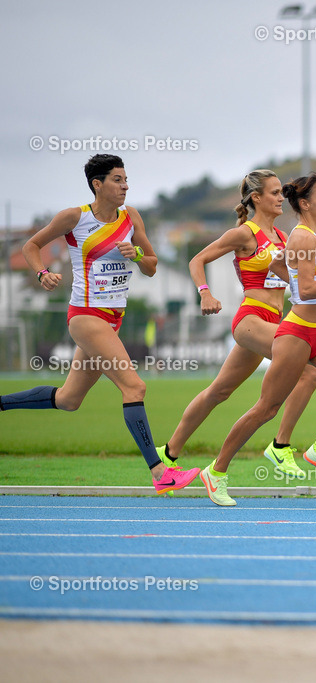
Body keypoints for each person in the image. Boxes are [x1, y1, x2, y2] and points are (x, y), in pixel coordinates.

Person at [0, 154, 200, 493]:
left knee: (68, 400)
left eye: (126, 180)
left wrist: (136, 255)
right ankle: (160, 474)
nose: (125, 186)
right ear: (98, 184)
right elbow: (31, 246)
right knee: (134, 387)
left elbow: (151, 266)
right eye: (118, 180)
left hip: (113, 320)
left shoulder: (131, 217)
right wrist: (42, 273)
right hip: (86, 317)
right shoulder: (74, 218)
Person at [200, 172, 316, 506]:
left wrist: (288, 276)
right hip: (296, 334)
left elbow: (284, 268)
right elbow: (308, 289)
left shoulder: (311, 237)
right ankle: (217, 471)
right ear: (306, 204)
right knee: (265, 408)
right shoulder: (303, 237)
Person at [156, 170, 316, 480]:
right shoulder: (245, 234)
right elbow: (197, 260)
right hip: (251, 319)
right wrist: (204, 294)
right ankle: (281, 446)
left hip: (276, 320)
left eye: (280, 193)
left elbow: (296, 280)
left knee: (219, 391)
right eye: (274, 193)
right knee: (310, 371)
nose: (280, 198)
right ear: (257, 198)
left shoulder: (285, 237)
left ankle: (167, 454)